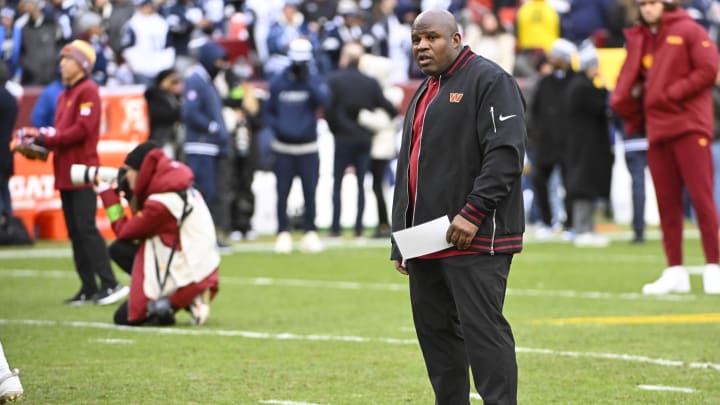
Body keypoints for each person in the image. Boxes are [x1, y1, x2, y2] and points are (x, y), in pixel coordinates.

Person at [391, 9, 526, 405]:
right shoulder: (425, 89)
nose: (421, 46)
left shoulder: (490, 80)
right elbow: (409, 167)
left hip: (475, 234)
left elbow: (505, 154)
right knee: (436, 339)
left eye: (431, 37)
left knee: (483, 333)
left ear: (456, 38)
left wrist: (473, 212)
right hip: (424, 239)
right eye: (416, 39)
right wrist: (402, 239)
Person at [610, 0, 720, 295]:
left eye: (653, 2)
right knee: (666, 204)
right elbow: (628, 83)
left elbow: (710, 69)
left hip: (689, 126)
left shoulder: (689, 30)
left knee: (702, 199)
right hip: (657, 130)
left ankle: (714, 267)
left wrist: (671, 94)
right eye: (643, 3)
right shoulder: (640, 38)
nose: (647, 8)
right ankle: (675, 270)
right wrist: (633, 106)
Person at [30, 40, 128, 305]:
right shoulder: (64, 95)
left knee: (86, 228)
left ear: (82, 64)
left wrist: (49, 138)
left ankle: (110, 284)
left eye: (68, 59)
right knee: (75, 230)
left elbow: (82, 130)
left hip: (82, 170)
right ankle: (88, 286)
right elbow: (61, 133)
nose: (62, 63)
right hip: (64, 170)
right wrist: (38, 142)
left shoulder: (88, 91)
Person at [98, 142, 221, 326]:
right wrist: (129, 194)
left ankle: (169, 304)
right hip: (200, 266)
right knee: (119, 250)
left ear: (143, 171)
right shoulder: (176, 185)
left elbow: (125, 232)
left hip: (189, 273)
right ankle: (190, 303)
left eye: (129, 170)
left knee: (126, 317)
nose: (126, 175)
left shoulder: (160, 204)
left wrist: (108, 196)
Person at [264, 37, 330, 253]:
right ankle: (283, 232)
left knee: (310, 191)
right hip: (283, 147)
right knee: (282, 192)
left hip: (308, 147)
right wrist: (281, 128)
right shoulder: (278, 82)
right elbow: (268, 112)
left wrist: (308, 80)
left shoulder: (313, 80)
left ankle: (310, 231)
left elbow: (325, 101)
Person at [326, 42, 397, 238]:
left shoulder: (334, 80)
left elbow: (328, 110)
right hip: (364, 138)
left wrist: (337, 130)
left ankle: (335, 228)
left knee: (338, 183)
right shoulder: (369, 82)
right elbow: (389, 108)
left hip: (341, 138)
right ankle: (358, 228)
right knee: (360, 184)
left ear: (344, 59)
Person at [181, 41, 231, 243]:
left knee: (209, 193)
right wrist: (212, 127)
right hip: (200, 146)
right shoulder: (196, 80)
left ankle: (205, 235)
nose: (221, 65)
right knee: (201, 193)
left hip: (209, 147)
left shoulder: (206, 81)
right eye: (218, 61)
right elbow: (190, 112)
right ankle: (199, 237)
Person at [564, 43, 613, 247]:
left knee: (586, 185)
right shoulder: (582, 87)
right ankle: (583, 229)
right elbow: (603, 106)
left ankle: (587, 228)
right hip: (585, 146)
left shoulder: (578, 85)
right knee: (583, 186)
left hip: (584, 145)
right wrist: (603, 87)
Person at [144, 68, 183, 159]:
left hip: (174, 138)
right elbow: (160, 115)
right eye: (172, 81)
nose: (175, 84)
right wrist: (180, 112)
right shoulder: (154, 96)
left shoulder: (173, 97)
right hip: (162, 138)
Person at [0, 60, 17, 231]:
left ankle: (2, 222)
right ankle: (8, 222)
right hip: (7, 148)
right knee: (4, 187)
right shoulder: (11, 99)